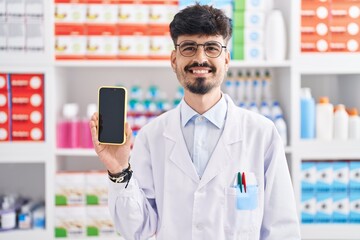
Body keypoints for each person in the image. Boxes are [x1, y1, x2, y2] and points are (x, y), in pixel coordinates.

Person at [90, 3, 301, 240]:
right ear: (173, 59)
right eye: (189, 48)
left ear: (227, 59)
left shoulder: (262, 134)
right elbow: (136, 229)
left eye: (211, 48)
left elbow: (282, 230)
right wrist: (118, 170)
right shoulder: (152, 136)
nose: (200, 58)